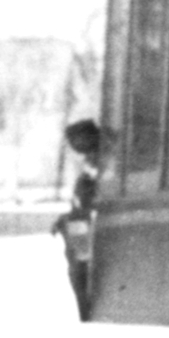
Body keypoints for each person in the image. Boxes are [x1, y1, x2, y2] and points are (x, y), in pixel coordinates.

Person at [54, 118, 103, 321]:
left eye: (77, 139)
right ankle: (84, 313)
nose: (75, 145)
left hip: (85, 224)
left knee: (80, 272)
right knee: (76, 271)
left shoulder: (100, 161)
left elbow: (92, 197)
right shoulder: (90, 161)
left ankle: (87, 315)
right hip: (78, 224)